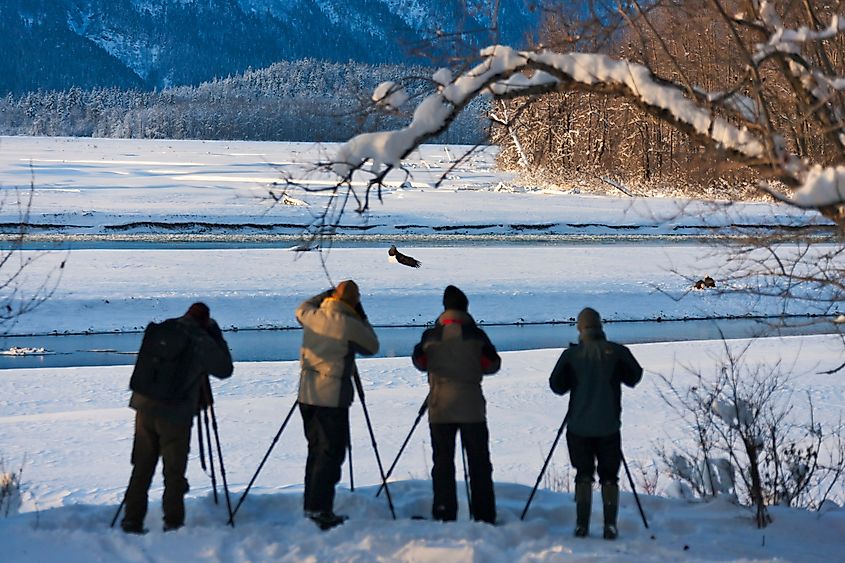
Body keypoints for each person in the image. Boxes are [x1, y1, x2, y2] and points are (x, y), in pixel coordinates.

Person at [121, 302, 233, 534]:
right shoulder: (199, 339)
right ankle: (173, 523)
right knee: (173, 472)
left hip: (144, 406)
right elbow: (224, 369)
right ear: (205, 321)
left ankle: (132, 521)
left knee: (142, 466)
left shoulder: (165, 329)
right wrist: (215, 335)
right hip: (174, 413)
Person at [549, 307, 642, 540]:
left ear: (580, 329)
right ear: (600, 326)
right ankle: (610, 525)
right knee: (610, 476)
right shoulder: (617, 352)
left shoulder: (572, 355)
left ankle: (582, 525)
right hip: (609, 426)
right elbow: (634, 376)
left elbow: (556, 386)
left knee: (583, 474)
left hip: (578, 427)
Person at [412, 285, 501, 524]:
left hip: (440, 408)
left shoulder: (431, 336)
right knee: (479, 464)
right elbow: (492, 365)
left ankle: (444, 513)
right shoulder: (476, 336)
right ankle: (484, 516)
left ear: (445, 308)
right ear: (465, 307)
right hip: (472, 409)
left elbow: (420, 362)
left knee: (442, 464)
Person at [295, 280, 379, 530]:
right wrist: (362, 316)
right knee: (331, 453)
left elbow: (301, 308)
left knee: (315, 450)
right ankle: (320, 510)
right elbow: (372, 346)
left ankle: (311, 505)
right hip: (332, 398)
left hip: (307, 395)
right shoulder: (348, 324)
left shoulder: (313, 316)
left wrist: (325, 295)